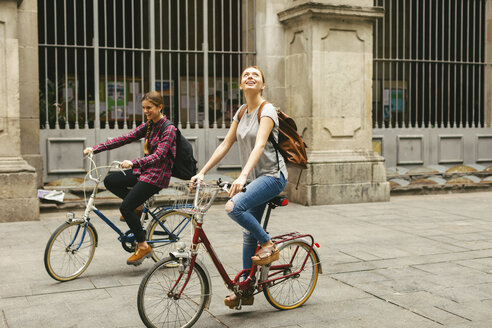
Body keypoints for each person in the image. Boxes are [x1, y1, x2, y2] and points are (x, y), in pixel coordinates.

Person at [191, 66, 288, 308]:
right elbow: (225, 144)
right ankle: (246, 288)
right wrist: (202, 171)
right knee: (247, 235)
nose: (250, 77)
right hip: (255, 178)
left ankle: (268, 244)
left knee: (234, 207)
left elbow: (259, 145)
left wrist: (242, 177)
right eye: (246, 75)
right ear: (241, 86)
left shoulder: (267, 111)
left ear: (262, 85)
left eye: (256, 75)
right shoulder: (242, 111)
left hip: (273, 176)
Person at [83, 91, 177, 266]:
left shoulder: (169, 128)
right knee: (110, 181)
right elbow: (125, 138)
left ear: (159, 107)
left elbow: (160, 155)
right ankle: (138, 206)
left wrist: (134, 163)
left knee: (126, 208)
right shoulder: (149, 125)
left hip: (158, 175)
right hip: (143, 171)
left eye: (149, 108)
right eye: (143, 108)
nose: (146, 111)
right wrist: (95, 149)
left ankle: (143, 246)